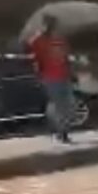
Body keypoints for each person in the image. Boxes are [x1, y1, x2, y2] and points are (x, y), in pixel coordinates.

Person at [27, 14, 74, 143]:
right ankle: (61, 132)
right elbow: (34, 57)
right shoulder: (39, 40)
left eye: (54, 24)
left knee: (69, 104)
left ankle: (61, 129)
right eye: (49, 24)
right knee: (58, 104)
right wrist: (38, 74)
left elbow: (66, 57)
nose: (52, 27)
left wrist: (70, 69)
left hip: (64, 75)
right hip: (50, 77)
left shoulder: (60, 39)